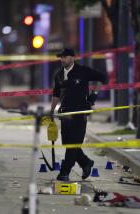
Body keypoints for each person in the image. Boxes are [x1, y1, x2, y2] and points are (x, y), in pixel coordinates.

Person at [50, 48, 108, 181]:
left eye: (65, 57)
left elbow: (102, 78)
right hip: (65, 114)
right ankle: (85, 162)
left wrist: (94, 95)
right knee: (68, 144)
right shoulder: (58, 74)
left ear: (72, 58)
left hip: (79, 113)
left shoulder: (83, 71)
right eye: (61, 57)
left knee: (73, 145)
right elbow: (56, 94)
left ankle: (64, 172)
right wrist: (51, 111)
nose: (62, 59)